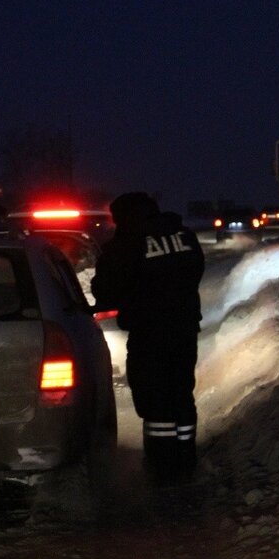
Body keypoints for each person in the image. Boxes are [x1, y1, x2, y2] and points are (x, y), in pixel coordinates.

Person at [91, 192, 205, 487]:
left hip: (150, 333)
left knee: (155, 401)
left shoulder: (125, 245)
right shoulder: (184, 235)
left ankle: (162, 466)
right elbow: (195, 272)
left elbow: (105, 290)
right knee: (181, 393)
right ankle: (186, 457)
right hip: (184, 330)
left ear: (125, 217)